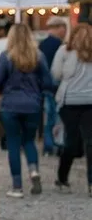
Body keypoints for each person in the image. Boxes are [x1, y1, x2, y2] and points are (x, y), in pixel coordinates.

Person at [0, 22, 57, 198]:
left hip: (10, 104)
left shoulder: (6, 57)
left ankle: (17, 186)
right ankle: (34, 170)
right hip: (33, 104)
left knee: (13, 142)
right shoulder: (39, 56)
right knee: (29, 141)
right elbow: (47, 82)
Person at [52, 22, 92, 193]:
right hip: (90, 102)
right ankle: (91, 183)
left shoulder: (64, 51)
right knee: (90, 143)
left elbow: (56, 74)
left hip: (69, 102)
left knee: (71, 141)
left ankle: (62, 177)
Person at [39, 16, 68, 155]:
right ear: (58, 28)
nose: (65, 31)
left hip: (45, 87)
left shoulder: (42, 44)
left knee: (48, 118)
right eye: (64, 28)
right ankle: (58, 144)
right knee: (57, 118)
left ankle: (48, 146)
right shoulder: (60, 46)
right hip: (57, 86)